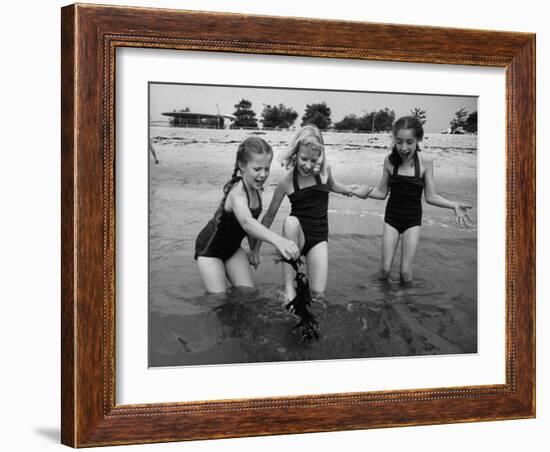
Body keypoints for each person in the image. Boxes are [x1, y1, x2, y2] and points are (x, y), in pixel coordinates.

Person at [351, 116, 474, 284]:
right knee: (385, 270)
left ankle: (405, 305)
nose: (403, 147)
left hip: (412, 221)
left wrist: (453, 205)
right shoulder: (389, 161)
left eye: (409, 142)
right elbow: (381, 192)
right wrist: (363, 191)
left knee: (405, 274)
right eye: (399, 141)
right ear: (394, 140)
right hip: (392, 219)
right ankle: (382, 301)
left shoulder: (425, 161)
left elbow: (430, 196)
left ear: (419, 139)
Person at [252, 124, 354, 302]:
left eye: (313, 161)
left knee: (318, 296)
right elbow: (269, 216)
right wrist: (256, 248)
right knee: (290, 221)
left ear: (320, 157)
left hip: (318, 238)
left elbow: (332, 185)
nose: (308, 165)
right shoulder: (287, 181)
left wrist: (350, 190)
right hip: (296, 236)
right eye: (303, 159)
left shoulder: (324, 171)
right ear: (296, 153)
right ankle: (289, 292)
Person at [194, 137, 300, 294]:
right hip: (210, 251)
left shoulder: (256, 189)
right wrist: (279, 241)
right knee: (220, 300)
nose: (263, 174)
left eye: (267, 169)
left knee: (248, 294)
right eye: (257, 169)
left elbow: (252, 227)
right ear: (242, 166)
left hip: (232, 249)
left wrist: (254, 249)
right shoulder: (237, 194)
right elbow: (247, 222)